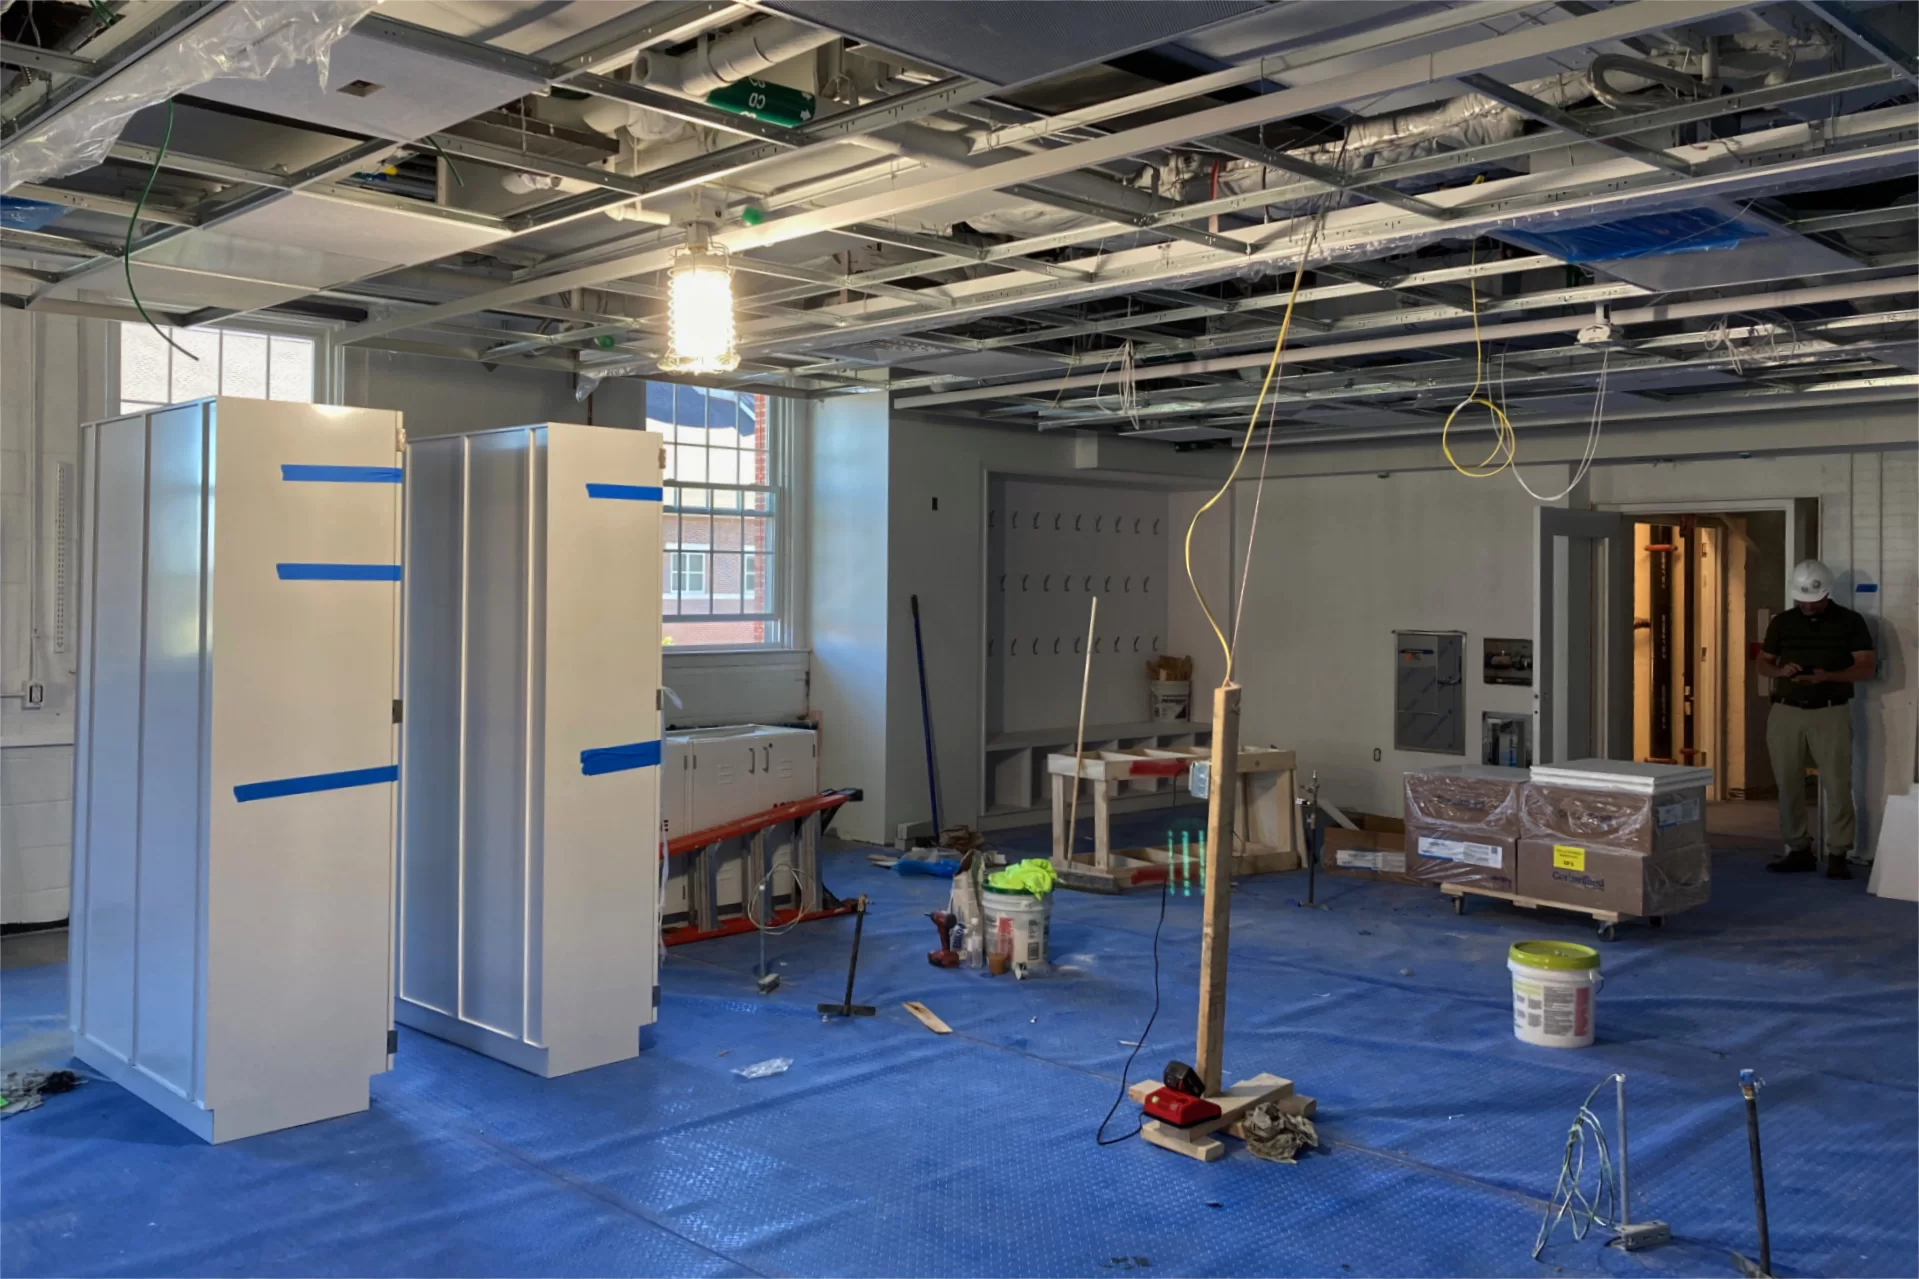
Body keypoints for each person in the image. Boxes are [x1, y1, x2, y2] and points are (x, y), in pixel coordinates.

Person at [1755, 559, 1875, 878]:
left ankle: (1838, 852)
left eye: (1812, 601)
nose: (1806, 606)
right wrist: (1780, 671)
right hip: (1785, 710)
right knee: (1788, 781)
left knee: (1837, 782)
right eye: (1801, 600)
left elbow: (1866, 667)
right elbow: (1762, 663)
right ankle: (1798, 848)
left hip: (1830, 709)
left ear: (1826, 593)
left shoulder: (1850, 622)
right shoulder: (1782, 622)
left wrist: (1828, 676)